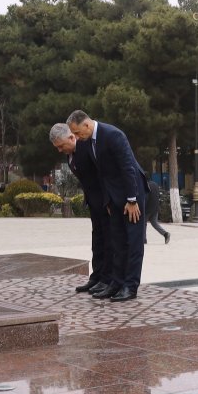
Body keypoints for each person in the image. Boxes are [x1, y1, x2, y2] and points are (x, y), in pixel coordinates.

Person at [67, 110, 145, 301]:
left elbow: (128, 168)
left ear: (86, 124)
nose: (77, 138)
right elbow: (102, 174)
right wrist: (108, 201)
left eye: (77, 133)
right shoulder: (89, 141)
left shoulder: (113, 135)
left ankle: (130, 286)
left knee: (132, 242)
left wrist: (132, 200)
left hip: (132, 194)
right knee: (117, 242)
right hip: (115, 197)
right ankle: (116, 283)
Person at [50, 123, 113, 296]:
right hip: (94, 202)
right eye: (57, 147)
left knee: (108, 242)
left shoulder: (87, 147)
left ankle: (107, 279)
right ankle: (97, 277)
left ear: (71, 137)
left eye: (61, 146)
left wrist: (108, 200)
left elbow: (103, 175)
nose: (60, 150)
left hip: (105, 202)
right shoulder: (70, 153)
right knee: (97, 240)